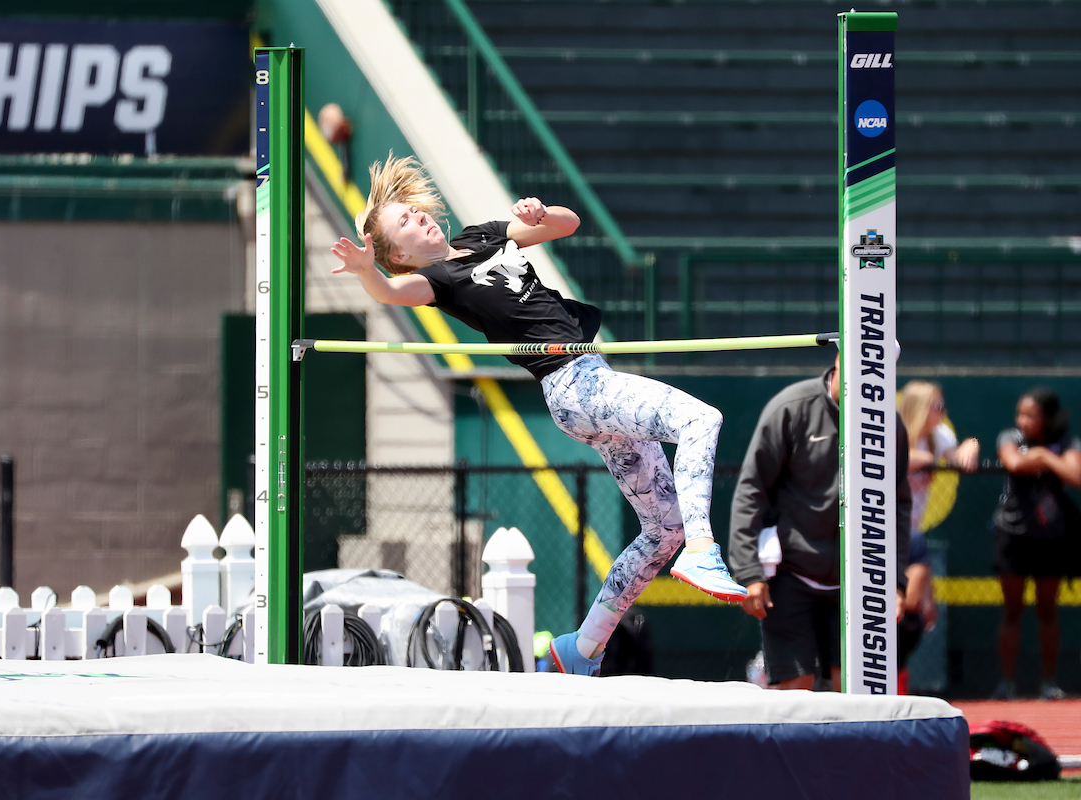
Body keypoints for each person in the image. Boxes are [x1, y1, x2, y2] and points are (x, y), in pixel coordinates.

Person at [330, 154, 746, 676]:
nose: (421, 218)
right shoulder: (436, 281)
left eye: (415, 211)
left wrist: (539, 213)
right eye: (406, 225)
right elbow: (389, 293)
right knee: (699, 420)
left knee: (663, 530)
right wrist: (369, 271)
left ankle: (581, 649)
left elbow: (569, 224)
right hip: (574, 384)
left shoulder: (483, 235)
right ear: (400, 254)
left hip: (591, 380)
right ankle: (703, 548)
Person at [726, 354, 911, 690]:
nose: (865, 390)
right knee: (796, 687)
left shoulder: (888, 423)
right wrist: (749, 572)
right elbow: (751, 490)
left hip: (857, 578)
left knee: (855, 689)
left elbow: (896, 505)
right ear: (838, 365)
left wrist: (895, 582)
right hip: (792, 573)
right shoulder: (791, 407)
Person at [991, 387, 1081, 700]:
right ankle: (1006, 684)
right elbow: (1014, 463)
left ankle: (1049, 683)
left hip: (1051, 539)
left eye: (1030, 415)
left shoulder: (1068, 443)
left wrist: (1042, 455)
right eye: (1020, 414)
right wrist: (1045, 458)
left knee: (1048, 611)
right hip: (1012, 536)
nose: (1022, 420)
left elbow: (1075, 474)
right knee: (1012, 611)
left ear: (1047, 418)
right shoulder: (1010, 436)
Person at [895, 381, 979, 692]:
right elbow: (902, 456)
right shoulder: (891, 428)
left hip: (911, 535)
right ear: (920, 408)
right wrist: (929, 460)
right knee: (887, 607)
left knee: (915, 611)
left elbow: (957, 457)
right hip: (876, 532)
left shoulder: (938, 434)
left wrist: (970, 443)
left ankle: (897, 684)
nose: (942, 413)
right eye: (937, 406)